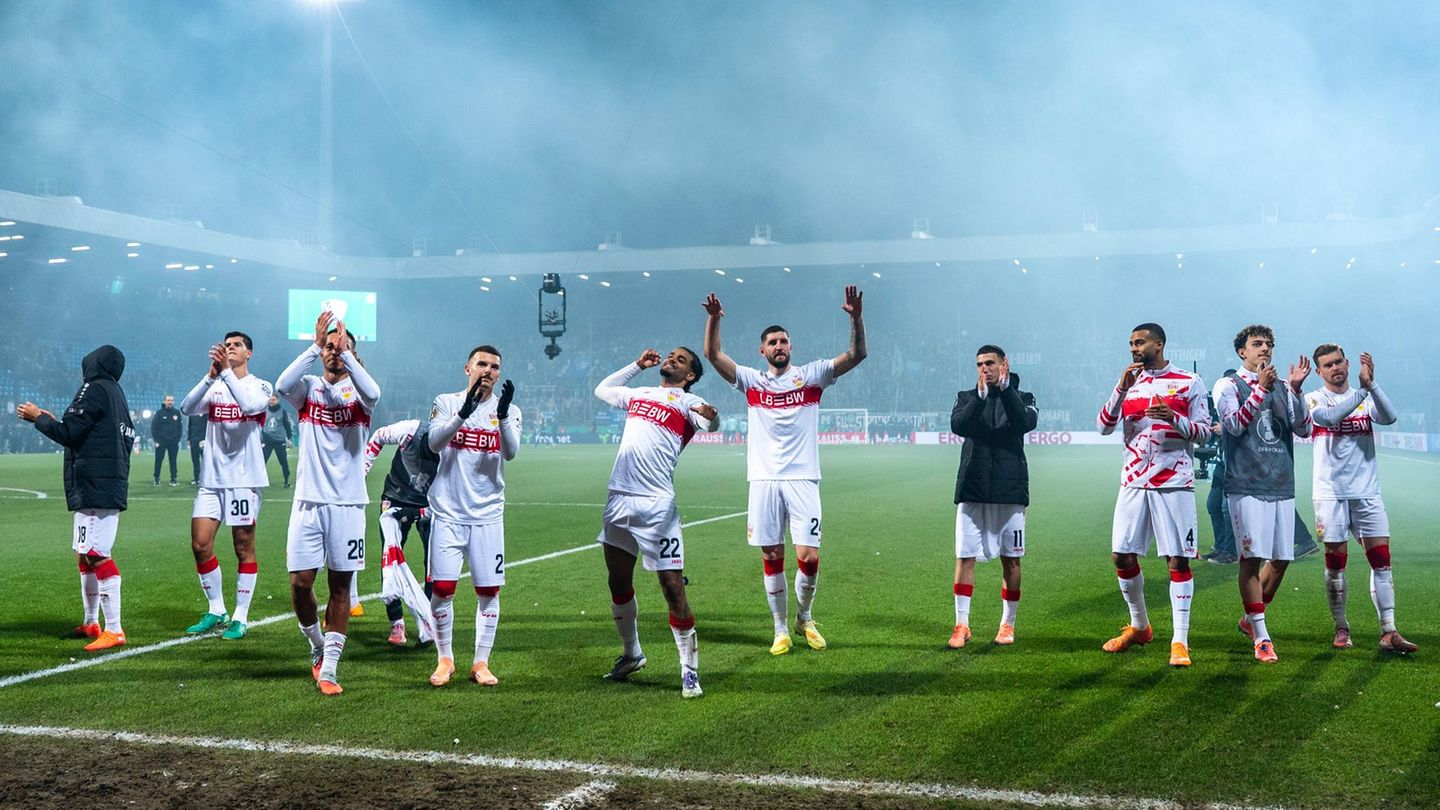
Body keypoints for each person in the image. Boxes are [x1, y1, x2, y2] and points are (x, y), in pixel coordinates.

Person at [702, 286, 866, 655]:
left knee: (808, 556)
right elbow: (712, 354)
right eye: (773, 342)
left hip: (803, 477)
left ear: (791, 348)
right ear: (763, 351)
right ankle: (779, 629)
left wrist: (855, 317)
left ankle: (804, 617)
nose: (779, 346)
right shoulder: (751, 381)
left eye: (784, 341)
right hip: (763, 479)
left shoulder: (811, 376)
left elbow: (857, 354)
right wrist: (713, 319)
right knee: (772, 555)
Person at [594, 347, 719, 698]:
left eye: (681, 360)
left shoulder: (686, 402)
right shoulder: (639, 394)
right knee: (618, 582)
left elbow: (708, 421)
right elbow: (602, 389)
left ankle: (689, 671)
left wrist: (711, 416)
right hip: (618, 497)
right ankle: (632, 654)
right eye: (671, 356)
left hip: (656, 505)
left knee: (672, 586)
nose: (672, 360)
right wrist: (636, 365)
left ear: (690, 375)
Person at [276, 312, 380, 696]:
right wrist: (315, 346)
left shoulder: (360, 394)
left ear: (352, 352)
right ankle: (319, 647)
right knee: (300, 584)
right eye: (330, 348)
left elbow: (375, 393)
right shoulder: (308, 389)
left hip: (349, 506)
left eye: (341, 346)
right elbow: (281, 383)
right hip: (307, 502)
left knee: (341, 586)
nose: (334, 351)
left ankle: (332, 668)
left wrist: (346, 352)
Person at [1095, 323, 1211, 668]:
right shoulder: (1129, 384)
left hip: (1173, 483)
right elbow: (1103, 426)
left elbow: (1204, 434)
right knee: (1121, 556)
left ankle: (1180, 641)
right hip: (1132, 482)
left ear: (1158, 344)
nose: (1134, 348)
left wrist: (1174, 418)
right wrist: (1120, 388)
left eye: (1140, 342)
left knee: (1177, 560)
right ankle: (1140, 626)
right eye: (1131, 343)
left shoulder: (1189, 382)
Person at [16, 345, 136, 651]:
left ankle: (115, 629)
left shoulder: (93, 388)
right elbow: (85, 431)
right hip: (103, 483)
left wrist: (37, 419)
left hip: (95, 484)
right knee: (84, 555)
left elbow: (69, 434)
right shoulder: (116, 393)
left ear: (94, 363)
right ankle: (91, 621)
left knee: (96, 554)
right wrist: (52, 420)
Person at [1305, 346, 1416, 653]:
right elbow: (1327, 419)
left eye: (1338, 362)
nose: (1335, 368)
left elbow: (1390, 417)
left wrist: (1372, 387)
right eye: (1327, 365)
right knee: (1336, 563)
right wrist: (1362, 393)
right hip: (1330, 493)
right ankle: (1341, 627)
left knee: (1381, 561)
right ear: (1319, 371)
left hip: (1367, 492)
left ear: (1347, 363)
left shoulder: (1364, 398)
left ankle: (1389, 631)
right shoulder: (1315, 398)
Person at [1212, 324, 1312, 664]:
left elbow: (1304, 429)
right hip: (1245, 484)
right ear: (1242, 351)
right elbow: (1234, 425)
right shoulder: (1228, 385)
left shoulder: (1284, 387)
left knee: (1282, 560)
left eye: (1269, 344)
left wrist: (1297, 391)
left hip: (1281, 481)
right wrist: (1259, 389)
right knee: (1252, 558)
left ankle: (1249, 620)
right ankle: (1262, 636)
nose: (1265, 349)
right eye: (1257, 344)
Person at [424, 346, 520, 688]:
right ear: (468, 368)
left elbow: (511, 452)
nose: (489, 370)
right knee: (443, 590)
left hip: (488, 516)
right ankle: (444, 658)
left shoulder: (508, 410)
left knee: (488, 591)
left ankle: (481, 661)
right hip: (448, 513)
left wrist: (504, 415)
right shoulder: (446, 402)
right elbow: (434, 444)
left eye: (495, 366)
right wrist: (463, 414)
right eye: (482, 364)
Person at [179, 332, 273, 640]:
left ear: (249, 354)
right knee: (200, 544)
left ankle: (240, 616)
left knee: (243, 547)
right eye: (226, 345)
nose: (229, 348)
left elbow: (248, 407)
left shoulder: (260, 386)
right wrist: (210, 377)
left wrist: (226, 374)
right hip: (212, 481)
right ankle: (216, 609)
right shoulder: (216, 385)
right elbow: (187, 408)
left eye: (236, 346)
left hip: (244, 482)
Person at [947, 345, 1038, 649]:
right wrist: (980, 397)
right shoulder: (967, 397)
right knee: (965, 556)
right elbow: (959, 426)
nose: (983, 369)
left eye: (989, 363)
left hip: (1010, 490)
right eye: (979, 364)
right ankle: (962, 625)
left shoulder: (1023, 397)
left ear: (1004, 365)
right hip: (972, 488)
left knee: (1011, 560)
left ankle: (1007, 625)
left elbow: (1025, 422)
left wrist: (1005, 389)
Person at [363, 418, 439, 647]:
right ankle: (396, 622)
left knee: (434, 564)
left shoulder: (452, 442)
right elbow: (378, 436)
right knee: (390, 559)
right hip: (395, 499)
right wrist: (361, 473)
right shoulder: (409, 430)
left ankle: (427, 619)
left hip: (430, 503)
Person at [261, 394, 294, 488]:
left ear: (278, 400)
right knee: (262, 462)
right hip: (267, 441)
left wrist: (289, 438)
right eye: (270, 400)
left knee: (283, 462)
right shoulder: (264, 411)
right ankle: (260, 482)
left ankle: (286, 481)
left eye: (274, 400)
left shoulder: (282, 412)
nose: (272, 401)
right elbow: (260, 425)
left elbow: (287, 425)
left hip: (279, 441)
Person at [151, 394, 183, 486]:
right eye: (168, 400)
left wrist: (178, 439)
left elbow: (180, 427)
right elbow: (154, 427)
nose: (170, 402)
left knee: (173, 460)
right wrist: (156, 440)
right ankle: (156, 478)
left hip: (173, 442)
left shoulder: (176, 413)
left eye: (171, 400)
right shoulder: (159, 413)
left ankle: (173, 479)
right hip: (161, 442)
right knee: (158, 460)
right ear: (164, 401)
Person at [187, 411, 207, 485]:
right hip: (194, 440)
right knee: (195, 460)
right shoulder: (192, 414)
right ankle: (196, 478)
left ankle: (205, 478)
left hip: (204, 441)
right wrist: (189, 439)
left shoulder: (207, 414)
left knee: (205, 461)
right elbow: (190, 427)